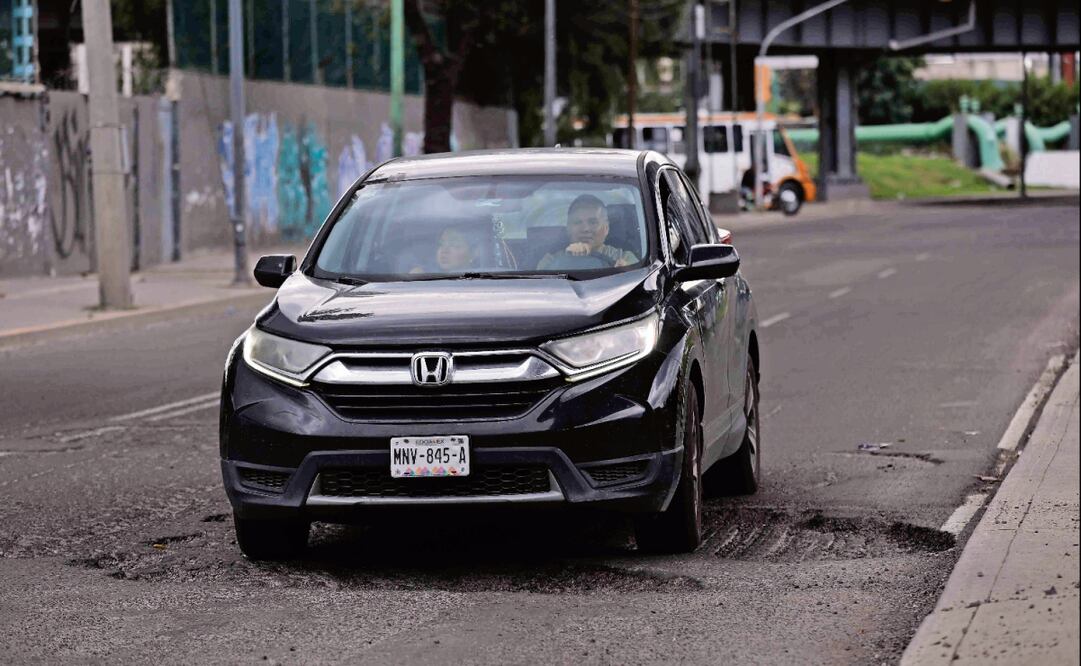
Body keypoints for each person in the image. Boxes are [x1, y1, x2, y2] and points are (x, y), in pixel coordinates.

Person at [536, 194, 637, 269]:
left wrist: (624, 271)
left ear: (606, 228)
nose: (585, 229)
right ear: (568, 229)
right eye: (577, 222)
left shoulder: (625, 258)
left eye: (593, 222)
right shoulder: (550, 261)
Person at [409, 227, 477, 274]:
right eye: (441, 244)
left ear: (473, 254)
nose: (444, 250)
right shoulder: (423, 275)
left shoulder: (483, 280)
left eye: (454, 245)